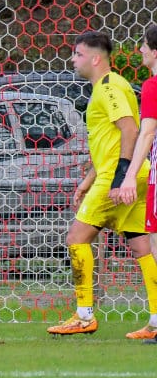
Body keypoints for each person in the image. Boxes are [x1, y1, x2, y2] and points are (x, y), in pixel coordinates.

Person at [47, 30, 157, 336]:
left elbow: (129, 130)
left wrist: (121, 178)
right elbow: (110, 141)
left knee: (76, 239)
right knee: (142, 246)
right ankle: (156, 321)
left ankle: (84, 316)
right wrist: (87, 180)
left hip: (117, 177)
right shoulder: (112, 85)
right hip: (131, 173)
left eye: (78, 54)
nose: (73, 59)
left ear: (95, 59)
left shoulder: (109, 88)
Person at [111, 23, 157, 340]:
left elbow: (147, 132)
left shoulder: (153, 86)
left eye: (143, 45)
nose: (139, 49)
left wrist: (129, 176)